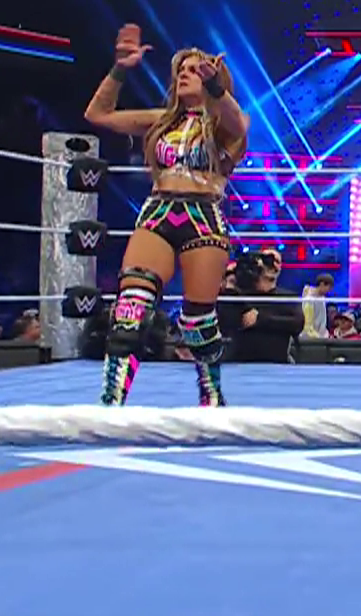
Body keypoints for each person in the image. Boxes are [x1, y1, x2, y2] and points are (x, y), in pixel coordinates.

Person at [84, 23, 249, 406]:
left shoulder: (227, 123)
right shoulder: (162, 120)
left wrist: (216, 89)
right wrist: (120, 69)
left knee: (197, 321)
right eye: (181, 70)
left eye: (194, 69)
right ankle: (111, 401)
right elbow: (98, 114)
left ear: (212, 77)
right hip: (158, 211)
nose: (184, 74)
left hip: (202, 215)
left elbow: (237, 124)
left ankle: (211, 394)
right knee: (130, 308)